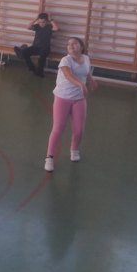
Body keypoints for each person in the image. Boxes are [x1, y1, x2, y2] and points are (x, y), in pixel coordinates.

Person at [45, 37, 97, 172]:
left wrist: (91, 79)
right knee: (58, 128)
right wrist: (81, 84)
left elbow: (86, 71)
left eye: (74, 43)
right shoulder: (65, 60)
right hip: (62, 98)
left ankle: (74, 150)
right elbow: (68, 75)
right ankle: (49, 157)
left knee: (79, 130)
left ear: (82, 47)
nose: (70, 45)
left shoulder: (86, 59)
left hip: (79, 99)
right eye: (68, 44)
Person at [14, 12, 59, 77]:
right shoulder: (37, 26)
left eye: (43, 22)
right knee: (24, 52)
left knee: (42, 57)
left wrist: (50, 19)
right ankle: (33, 69)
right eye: (40, 22)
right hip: (36, 47)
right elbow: (28, 27)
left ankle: (39, 73)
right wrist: (36, 18)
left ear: (47, 21)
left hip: (45, 48)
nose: (41, 24)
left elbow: (56, 28)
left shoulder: (49, 27)